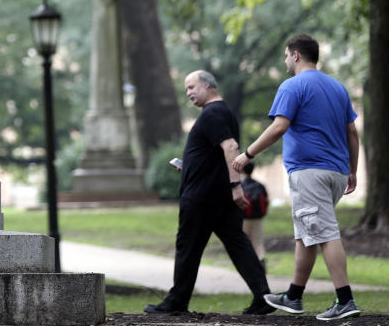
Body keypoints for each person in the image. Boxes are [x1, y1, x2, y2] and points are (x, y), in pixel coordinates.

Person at [232, 34, 361, 320]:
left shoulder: (292, 86)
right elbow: (352, 132)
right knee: (307, 234)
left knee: (324, 233)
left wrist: (247, 154)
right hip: (336, 172)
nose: (285, 61)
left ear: (296, 55)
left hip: (309, 171)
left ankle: (346, 300)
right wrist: (352, 170)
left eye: (286, 56)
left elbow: (279, 127)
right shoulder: (338, 88)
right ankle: (293, 296)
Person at [144, 70, 274, 316]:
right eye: (186, 89)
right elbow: (216, 155)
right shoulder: (223, 113)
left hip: (203, 198)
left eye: (192, 87)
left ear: (208, 86)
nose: (189, 93)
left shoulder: (212, 113)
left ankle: (177, 301)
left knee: (188, 246)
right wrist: (190, 166)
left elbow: (231, 147)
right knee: (238, 244)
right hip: (217, 195)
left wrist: (237, 186)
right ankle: (263, 296)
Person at [241, 162, 269, 268]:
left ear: (242, 170)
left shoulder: (240, 185)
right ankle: (261, 260)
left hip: (244, 218)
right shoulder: (260, 185)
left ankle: (247, 265)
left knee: (244, 242)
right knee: (258, 242)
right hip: (258, 218)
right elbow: (266, 200)